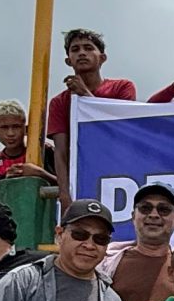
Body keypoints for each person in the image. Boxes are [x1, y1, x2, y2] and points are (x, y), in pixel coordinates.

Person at [46, 28, 138, 197]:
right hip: (83, 178)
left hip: (120, 172)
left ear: (102, 58)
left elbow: (121, 129)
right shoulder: (58, 102)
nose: (82, 53)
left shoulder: (122, 87)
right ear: (68, 61)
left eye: (88, 48)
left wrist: (85, 95)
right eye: (75, 49)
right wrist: (65, 195)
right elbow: (61, 152)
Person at [103, 183, 174, 301]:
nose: (154, 215)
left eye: (163, 209)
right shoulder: (104, 263)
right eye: (145, 208)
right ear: (133, 216)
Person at [0, 99, 56, 200]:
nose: (10, 133)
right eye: (4, 128)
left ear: (26, 129)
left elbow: (68, 186)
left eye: (16, 127)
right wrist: (6, 183)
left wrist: (40, 174)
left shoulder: (44, 151)